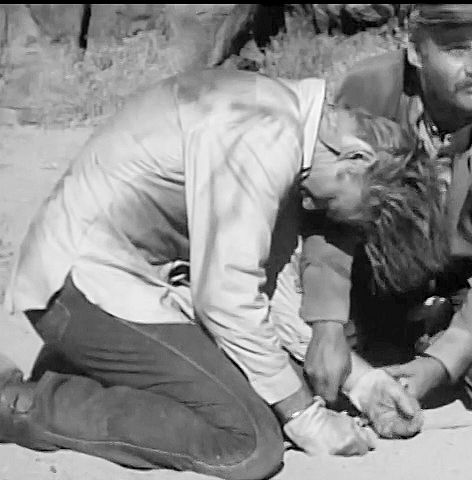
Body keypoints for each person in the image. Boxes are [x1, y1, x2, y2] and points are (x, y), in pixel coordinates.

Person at [0, 67, 445, 479]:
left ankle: (88, 368)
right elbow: (226, 299)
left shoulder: (283, 122)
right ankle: (21, 406)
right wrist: (304, 416)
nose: (315, 207)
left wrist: (362, 382)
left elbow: (267, 295)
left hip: (119, 284)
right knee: (249, 442)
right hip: (83, 288)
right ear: (357, 156)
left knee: (274, 388)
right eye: (334, 204)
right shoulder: (264, 138)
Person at [301, 4, 472, 411]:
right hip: (385, 263)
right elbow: (330, 216)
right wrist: (327, 324)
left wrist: (439, 364)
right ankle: (396, 328)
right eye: (457, 50)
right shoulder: (367, 91)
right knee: (323, 370)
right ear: (415, 51)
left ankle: (442, 327)